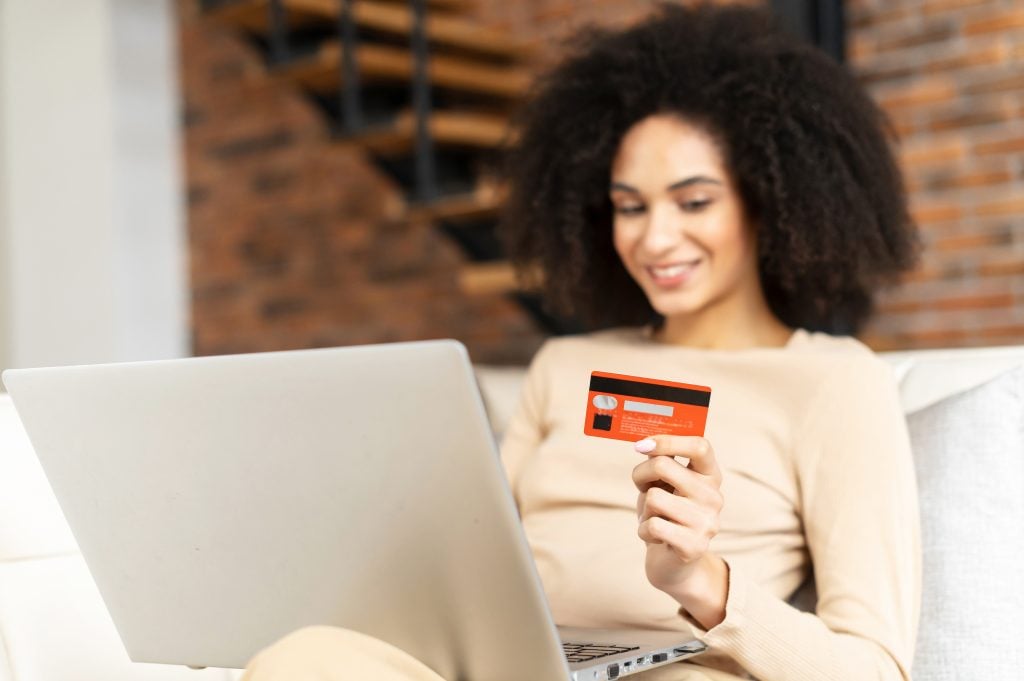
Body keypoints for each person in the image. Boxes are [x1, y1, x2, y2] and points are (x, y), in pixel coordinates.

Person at [242, 2, 922, 680]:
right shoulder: (565, 363)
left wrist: (702, 581)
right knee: (296, 658)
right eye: (630, 205)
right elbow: (470, 558)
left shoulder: (834, 381)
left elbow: (874, 666)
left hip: (674, 670)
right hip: (501, 664)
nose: (654, 238)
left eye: (693, 201)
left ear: (771, 202)